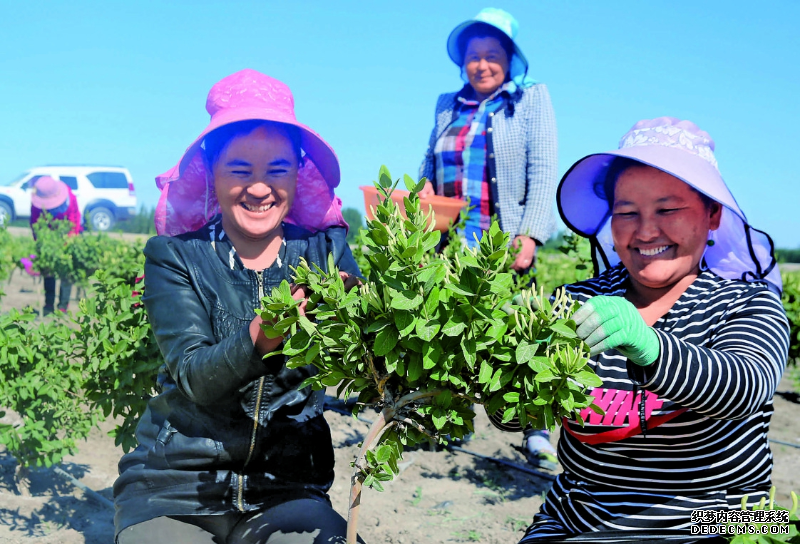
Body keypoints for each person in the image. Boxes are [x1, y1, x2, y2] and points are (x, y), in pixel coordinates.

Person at [497, 117, 788, 541]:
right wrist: (507, 375)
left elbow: (746, 386)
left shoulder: (748, 303)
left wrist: (650, 345)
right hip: (584, 513)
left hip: (724, 516)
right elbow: (515, 415)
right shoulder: (573, 303)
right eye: (626, 213)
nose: (646, 230)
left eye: (667, 209)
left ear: (712, 215)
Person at [113, 69, 363, 544]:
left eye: (276, 170)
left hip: (286, 487)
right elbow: (193, 375)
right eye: (240, 171)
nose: (259, 188)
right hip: (178, 486)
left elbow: (373, 357)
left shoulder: (327, 253)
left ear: (297, 175)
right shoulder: (174, 256)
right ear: (213, 174)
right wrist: (260, 337)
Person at [417, 7, 560, 468]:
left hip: (502, 240)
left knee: (518, 333)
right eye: (473, 56)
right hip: (450, 243)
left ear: (510, 58)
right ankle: (443, 422)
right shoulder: (446, 104)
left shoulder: (530, 100)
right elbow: (428, 166)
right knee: (447, 331)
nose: (481, 64)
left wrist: (531, 235)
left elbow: (542, 168)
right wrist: (417, 201)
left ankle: (535, 428)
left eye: (491, 55)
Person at [29, 175, 82, 314]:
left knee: (66, 271)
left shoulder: (70, 198)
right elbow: (35, 223)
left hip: (67, 235)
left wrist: (69, 242)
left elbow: (74, 220)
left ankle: (63, 306)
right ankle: (48, 305)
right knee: (48, 270)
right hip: (48, 238)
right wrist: (41, 243)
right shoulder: (36, 204)